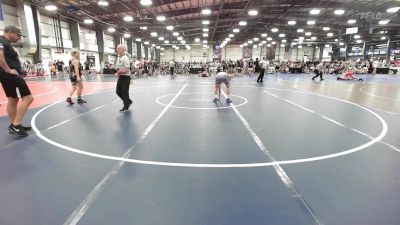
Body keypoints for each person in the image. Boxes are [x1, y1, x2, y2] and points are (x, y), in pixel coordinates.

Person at [0, 26, 34, 136]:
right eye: (18, 35)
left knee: (13, 100)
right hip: (10, 75)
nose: (19, 38)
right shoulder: (1, 40)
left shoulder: (6, 43)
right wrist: (8, 69)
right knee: (28, 98)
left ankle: (14, 125)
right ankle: (16, 124)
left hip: (6, 75)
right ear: (10, 32)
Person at [115, 44, 132, 112]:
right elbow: (119, 67)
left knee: (125, 92)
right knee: (118, 91)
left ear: (123, 50)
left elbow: (127, 69)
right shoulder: (118, 58)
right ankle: (128, 101)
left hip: (126, 78)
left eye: (118, 48)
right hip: (121, 77)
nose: (117, 50)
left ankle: (126, 106)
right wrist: (116, 68)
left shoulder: (125, 58)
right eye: (117, 48)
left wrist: (118, 72)